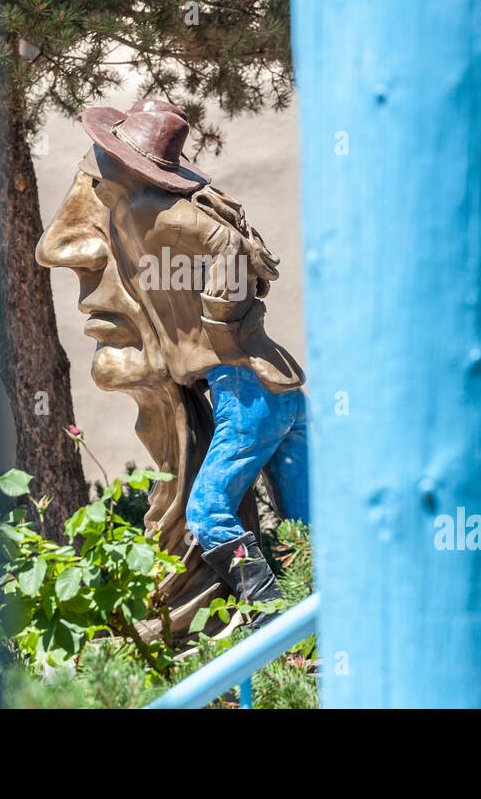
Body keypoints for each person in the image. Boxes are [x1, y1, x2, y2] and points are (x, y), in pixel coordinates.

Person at [37, 97, 308, 629]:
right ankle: (314, 621)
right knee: (306, 523)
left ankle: (274, 614)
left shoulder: (151, 212)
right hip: (280, 387)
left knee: (207, 513)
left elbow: (228, 245)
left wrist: (221, 323)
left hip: (246, 391)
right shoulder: (166, 210)